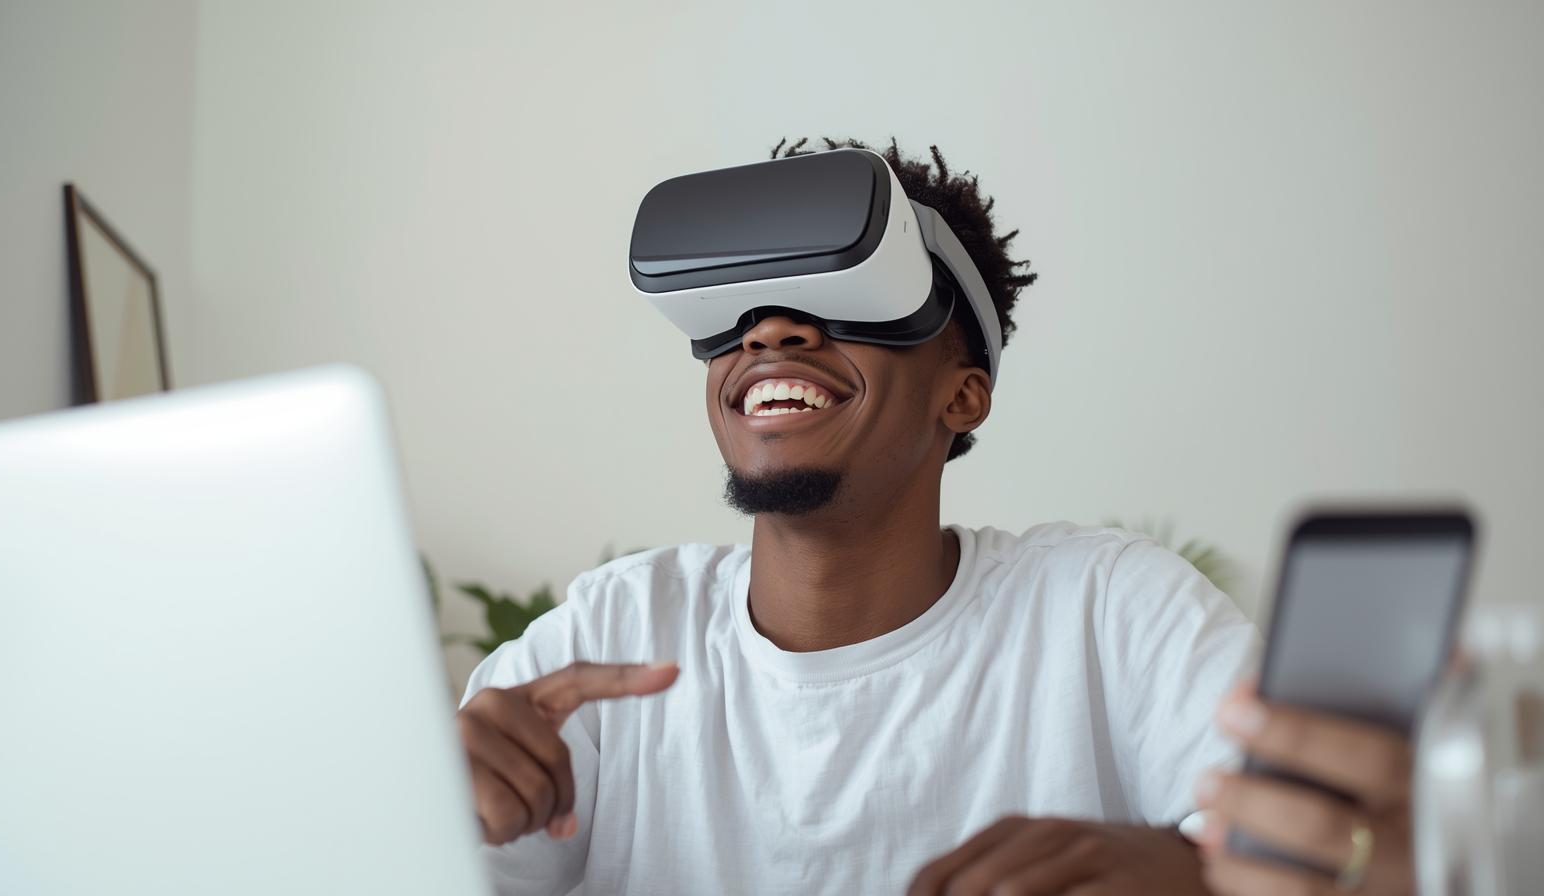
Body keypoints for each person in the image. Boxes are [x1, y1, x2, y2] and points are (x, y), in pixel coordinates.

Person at [455, 137, 1418, 894]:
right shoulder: (615, 632)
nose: (773, 330)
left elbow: (1316, 838)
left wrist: (1202, 875)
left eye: (847, 298)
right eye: (749, 307)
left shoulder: (1108, 613)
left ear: (962, 397)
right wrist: (438, 812)